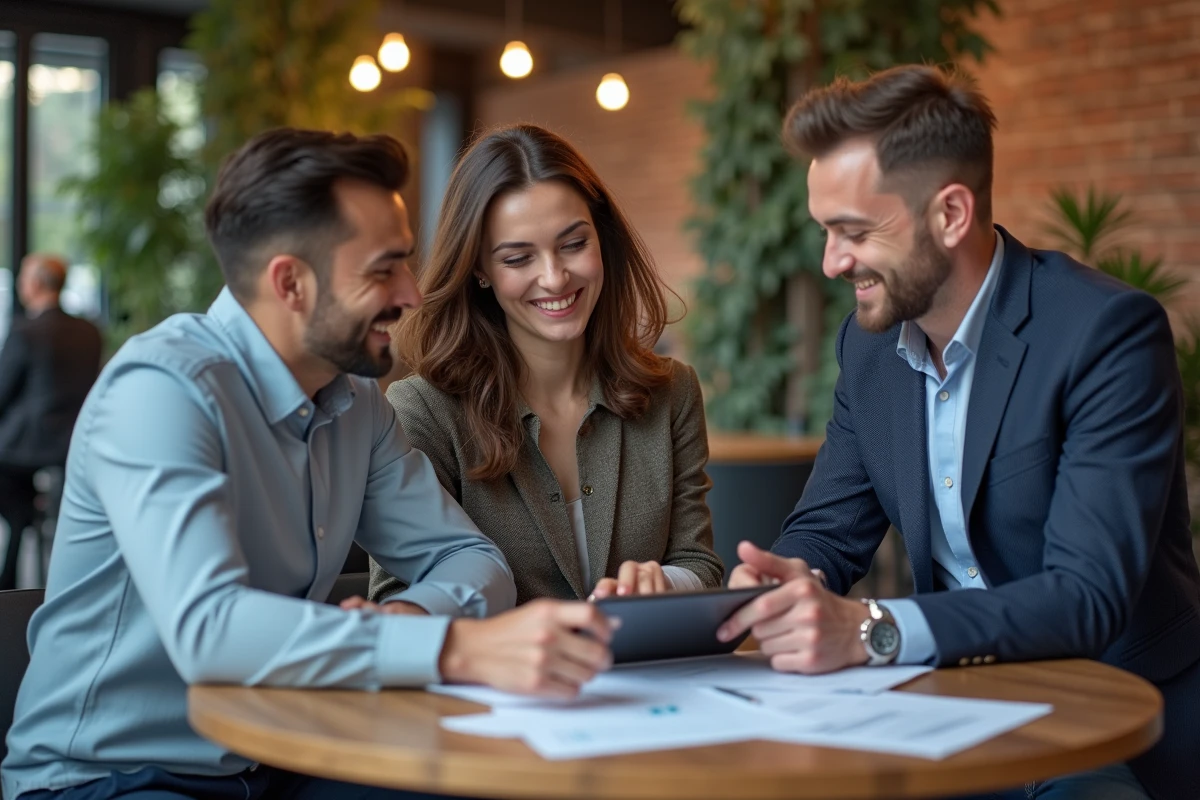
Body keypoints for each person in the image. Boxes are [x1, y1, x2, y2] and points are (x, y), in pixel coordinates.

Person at [1, 128, 615, 800]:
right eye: (383, 269)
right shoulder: (161, 390)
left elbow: (473, 560)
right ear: (290, 283)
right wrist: (455, 649)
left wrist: (408, 621)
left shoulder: (358, 405)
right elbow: (210, 630)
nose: (411, 293)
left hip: (282, 757)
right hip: (110, 778)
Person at [717, 65, 1200, 800]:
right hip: (954, 712)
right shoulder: (870, 346)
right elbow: (827, 530)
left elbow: (1085, 597)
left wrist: (870, 629)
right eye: (825, 232)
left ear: (950, 214)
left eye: (854, 232)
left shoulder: (1105, 334)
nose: (831, 262)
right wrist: (790, 582)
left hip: (1113, 709)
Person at [366, 124, 723, 608]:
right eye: (517, 258)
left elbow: (698, 563)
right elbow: (401, 600)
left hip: (646, 677)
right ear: (479, 270)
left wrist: (665, 584)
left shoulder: (672, 392)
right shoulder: (423, 412)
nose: (554, 278)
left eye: (574, 245)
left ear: (602, 238)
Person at [0, 253, 101, 589]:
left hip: (24, 449)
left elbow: (3, 392)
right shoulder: (89, 331)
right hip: (75, 446)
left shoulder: (25, 331)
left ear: (36, 284)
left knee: (14, 506)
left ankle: (10, 575)